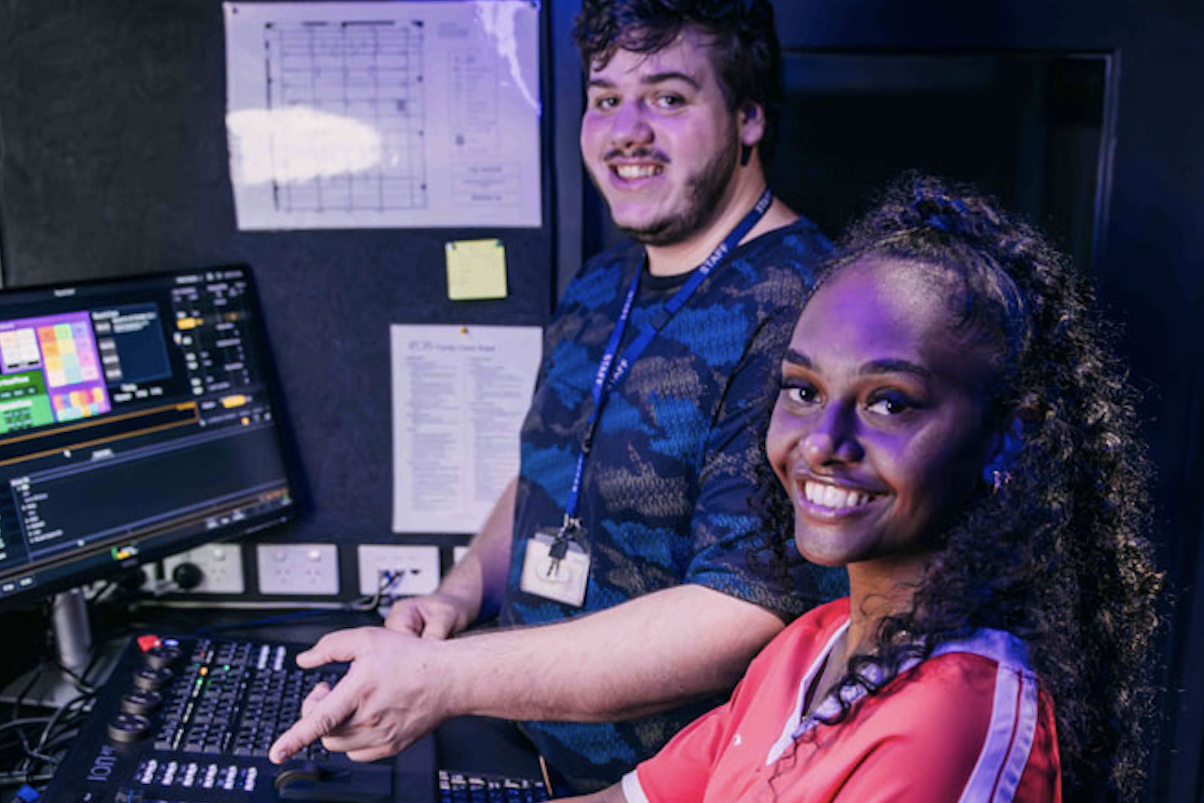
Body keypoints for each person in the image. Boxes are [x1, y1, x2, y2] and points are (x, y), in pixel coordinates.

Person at [269, 0, 844, 792]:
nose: (626, 130)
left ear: (748, 118)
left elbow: (739, 612)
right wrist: (459, 591)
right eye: (606, 98)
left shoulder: (807, 305)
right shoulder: (603, 280)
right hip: (522, 746)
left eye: (668, 97)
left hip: (655, 784)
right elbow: (548, 470)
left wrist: (444, 678)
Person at [559, 174, 1163, 803]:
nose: (822, 442)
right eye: (803, 390)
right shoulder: (810, 646)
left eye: (890, 403)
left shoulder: (953, 719)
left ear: (1007, 437)